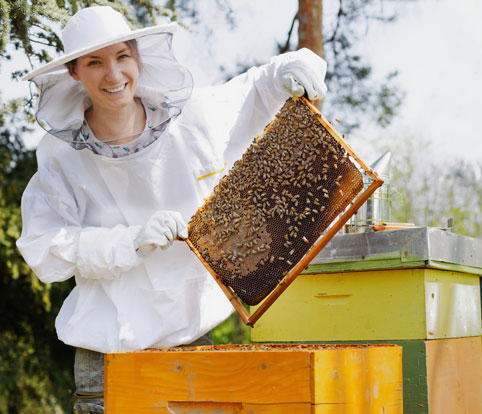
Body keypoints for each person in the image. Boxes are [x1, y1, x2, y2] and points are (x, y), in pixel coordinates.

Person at [16, 6, 327, 413]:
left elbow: (253, 90)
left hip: (192, 338)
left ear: (138, 58)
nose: (113, 75)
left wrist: (294, 64)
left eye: (122, 57)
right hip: (107, 352)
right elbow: (46, 248)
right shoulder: (61, 154)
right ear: (74, 72)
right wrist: (128, 241)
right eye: (95, 62)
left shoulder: (189, 118)